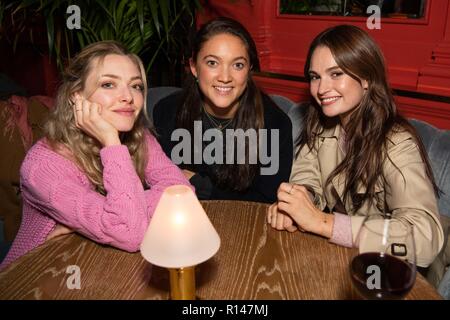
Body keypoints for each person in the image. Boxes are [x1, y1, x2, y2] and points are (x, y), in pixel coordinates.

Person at [0, 41, 191, 269]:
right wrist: (110, 142)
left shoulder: (138, 136)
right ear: (76, 96)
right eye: (108, 84)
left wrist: (103, 220)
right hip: (37, 276)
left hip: (99, 265)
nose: (128, 97)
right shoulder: (42, 165)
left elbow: (183, 195)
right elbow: (129, 232)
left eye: (136, 86)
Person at [267, 25, 444, 268]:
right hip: (348, 258)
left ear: (367, 78)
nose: (321, 89)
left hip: (398, 269)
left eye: (336, 74)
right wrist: (297, 205)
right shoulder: (322, 125)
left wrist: (321, 222)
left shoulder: (396, 142)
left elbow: (424, 235)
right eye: (315, 76)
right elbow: (307, 174)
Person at [153, 17, 293, 203]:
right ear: (194, 67)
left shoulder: (274, 123)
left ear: (249, 70)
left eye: (238, 65)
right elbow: (158, 183)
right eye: (212, 63)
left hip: (244, 225)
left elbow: (266, 200)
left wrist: (199, 184)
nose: (225, 77)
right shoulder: (167, 111)